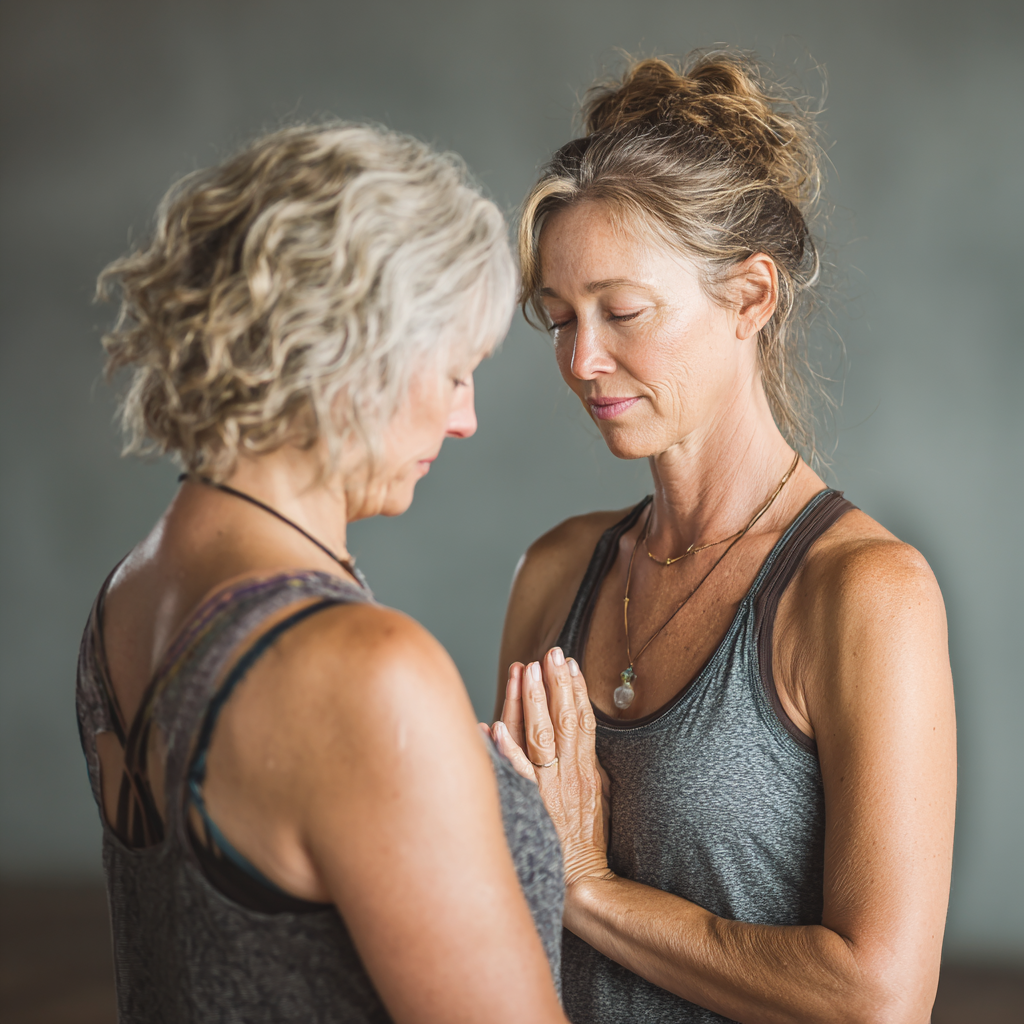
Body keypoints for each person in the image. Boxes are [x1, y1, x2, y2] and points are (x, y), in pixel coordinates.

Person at [491, 55, 956, 1023]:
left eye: (622, 312)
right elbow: (505, 914)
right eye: (559, 318)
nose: (582, 360)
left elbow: (878, 998)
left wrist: (591, 888)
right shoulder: (553, 575)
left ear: (749, 298)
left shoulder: (865, 593)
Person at [77, 123, 569, 1024]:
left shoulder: (131, 594)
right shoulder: (363, 671)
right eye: (456, 372)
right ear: (353, 355)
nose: (466, 420)